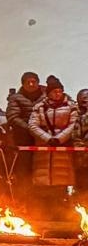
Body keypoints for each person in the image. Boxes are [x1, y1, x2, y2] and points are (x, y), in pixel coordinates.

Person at [27, 78, 78, 208]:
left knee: (62, 180)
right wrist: (47, 138)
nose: (58, 94)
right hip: (44, 149)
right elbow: (33, 125)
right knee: (43, 183)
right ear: (48, 93)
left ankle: (61, 211)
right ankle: (44, 210)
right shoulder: (39, 108)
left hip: (63, 149)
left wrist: (59, 138)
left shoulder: (71, 107)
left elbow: (73, 125)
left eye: (60, 91)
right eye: (55, 91)